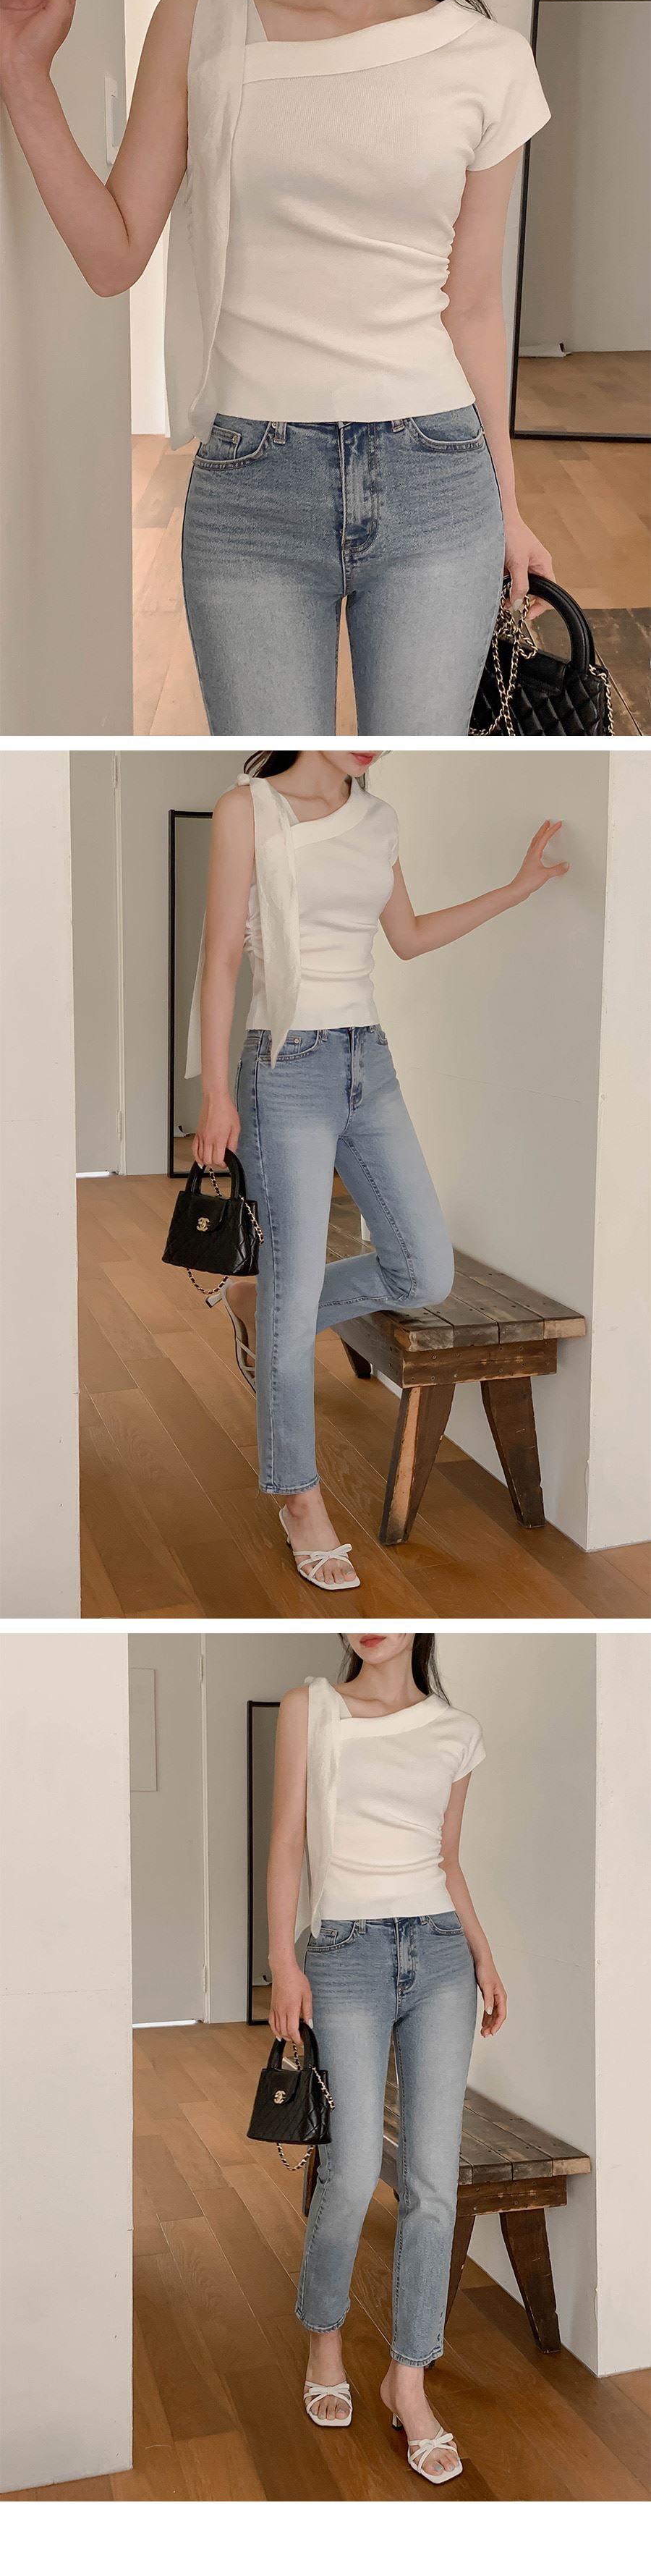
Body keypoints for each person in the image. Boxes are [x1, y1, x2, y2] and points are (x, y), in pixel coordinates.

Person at [0, 0, 553, 737]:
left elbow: (474, 306)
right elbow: (113, 257)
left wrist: (509, 507)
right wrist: (23, 72)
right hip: (252, 485)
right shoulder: (197, 24)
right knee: (275, 774)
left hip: (439, 480)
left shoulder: (491, 60)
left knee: (410, 773)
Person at [190, 746, 569, 1588]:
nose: (372, 740)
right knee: (295, 1301)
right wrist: (215, 1092)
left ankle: (261, 1306)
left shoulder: (378, 818)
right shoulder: (246, 810)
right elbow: (221, 958)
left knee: (423, 1268)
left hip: (369, 1062)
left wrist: (516, 889)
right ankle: (299, 1497)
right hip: (284, 1065)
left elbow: (408, 935)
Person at [267, 1628, 506, 2482]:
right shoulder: (311, 1707)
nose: (372, 1620)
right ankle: (324, 2337)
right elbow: (287, 1841)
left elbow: (447, 1859)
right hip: (344, 1953)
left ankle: (408, 2377)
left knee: (433, 2181)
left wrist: (483, 1954)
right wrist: (283, 1962)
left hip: (439, 1953)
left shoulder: (456, 1730)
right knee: (352, 2164)